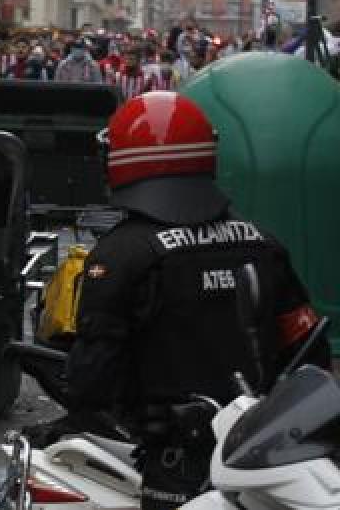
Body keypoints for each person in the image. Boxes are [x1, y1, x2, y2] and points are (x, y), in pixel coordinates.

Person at [67, 92, 331, 510]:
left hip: (172, 462)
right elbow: (309, 357)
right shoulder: (263, 243)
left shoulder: (119, 256)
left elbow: (91, 380)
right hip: (260, 454)